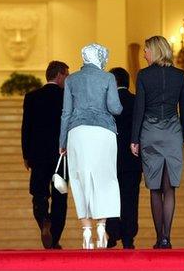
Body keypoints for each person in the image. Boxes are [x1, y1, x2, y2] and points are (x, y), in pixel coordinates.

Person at [59, 43, 123, 249]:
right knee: (104, 178)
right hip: (103, 133)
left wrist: (62, 142)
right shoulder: (108, 78)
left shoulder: (71, 79)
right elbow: (115, 107)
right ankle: (101, 228)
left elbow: (66, 113)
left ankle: (86, 232)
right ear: (101, 57)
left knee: (80, 179)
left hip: (77, 133)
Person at [131, 36, 184, 249]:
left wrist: (134, 139)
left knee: (155, 188)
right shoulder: (180, 75)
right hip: (173, 131)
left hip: (150, 131)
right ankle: (167, 237)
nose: (144, 53)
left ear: (154, 51)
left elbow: (139, 108)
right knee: (170, 188)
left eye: (146, 50)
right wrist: (181, 137)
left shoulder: (144, 75)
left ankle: (159, 239)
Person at [21, 60, 69, 249]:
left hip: (38, 157)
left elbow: (26, 128)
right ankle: (54, 239)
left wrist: (26, 155)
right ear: (59, 75)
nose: (68, 79)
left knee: (39, 194)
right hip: (61, 158)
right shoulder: (67, 97)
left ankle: (44, 221)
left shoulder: (32, 97)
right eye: (66, 75)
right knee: (60, 197)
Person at [106, 67, 142, 249]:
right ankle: (128, 238)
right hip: (132, 160)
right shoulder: (137, 101)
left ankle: (112, 233)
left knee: (110, 197)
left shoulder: (105, 103)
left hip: (109, 159)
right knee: (130, 198)